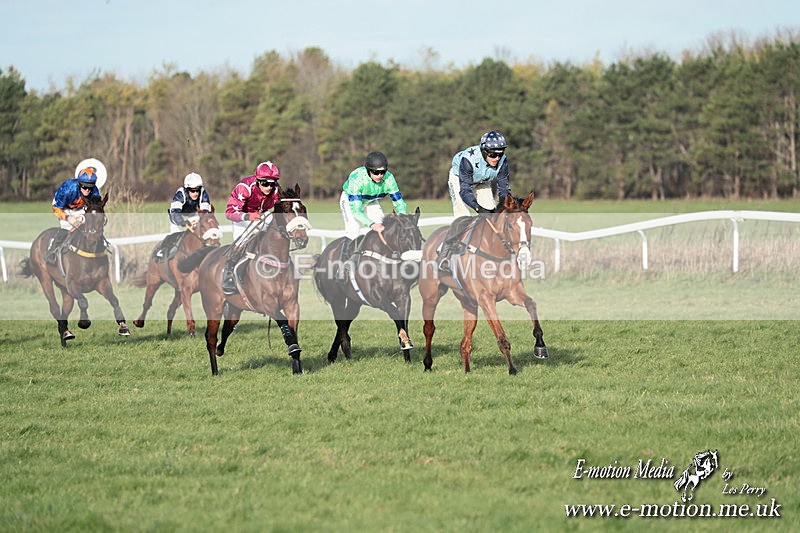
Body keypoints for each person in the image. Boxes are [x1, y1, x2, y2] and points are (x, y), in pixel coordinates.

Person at [437, 131, 512, 271]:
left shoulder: (503, 161)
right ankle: (444, 254)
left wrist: (505, 207)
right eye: (492, 154)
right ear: (484, 151)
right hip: (460, 180)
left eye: (500, 154)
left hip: (482, 181)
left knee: (492, 214)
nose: (497, 158)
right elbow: (465, 191)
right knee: (462, 216)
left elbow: (504, 189)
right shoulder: (468, 160)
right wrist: (478, 208)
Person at [222, 161, 281, 294]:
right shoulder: (244, 188)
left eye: (272, 183)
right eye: (265, 183)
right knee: (240, 245)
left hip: (262, 215)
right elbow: (229, 213)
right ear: (257, 180)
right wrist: (248, 216)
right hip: (242, 217)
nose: (269, 187)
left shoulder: (276, 189)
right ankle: (229, 274)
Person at [340, 151, 407, 239]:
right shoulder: (356, 178)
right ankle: (346, 252)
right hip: (350, 201)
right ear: (368, 170)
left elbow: (399, 202)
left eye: (383, 172)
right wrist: (371, 224)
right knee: (354, 230)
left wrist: (402, 216)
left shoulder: (389, 178)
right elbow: (356, 210)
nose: (380, 175)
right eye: (376, 172)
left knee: (382, 229)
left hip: (371, 201)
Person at [47, 163, 103, 264]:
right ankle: (52, 251)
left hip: (81, 207)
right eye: (84, 186)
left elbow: (94, 209)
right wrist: (68, 217)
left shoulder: (94, 192)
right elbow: (56, 208)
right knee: (68, 227)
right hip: (63, 207)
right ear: (79, 183)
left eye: (90, 187)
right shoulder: (67, 189)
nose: (87, 190)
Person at [155, 172, 212, 259]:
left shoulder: (203, 193)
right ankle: (162, 249)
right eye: (193, 190)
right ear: (187, 189)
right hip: (177, 216)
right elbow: (175, 213)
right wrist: (183, 222)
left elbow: (205, 211)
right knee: (175, 234)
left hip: (193, 214)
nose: (196, 193)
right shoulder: (181, 194)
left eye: (198, 190)